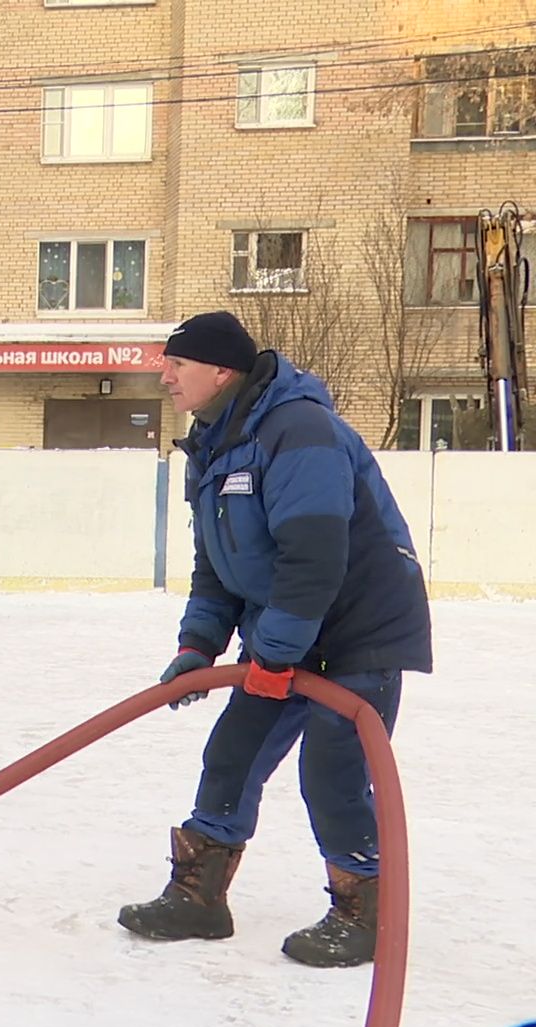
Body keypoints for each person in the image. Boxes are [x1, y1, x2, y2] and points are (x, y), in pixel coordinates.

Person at [117, 311, 432, 968]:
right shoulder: (213, 444)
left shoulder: (300, 432)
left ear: (222, 370)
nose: (165, 374)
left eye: (179, 362)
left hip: (357, 631)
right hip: (286, 632)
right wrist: (197, 649)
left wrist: (274, 655)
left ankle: (364, 911)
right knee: (233, 752)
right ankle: (199, 898)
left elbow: (314, 558)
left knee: (333, 771)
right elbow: (220, 568)